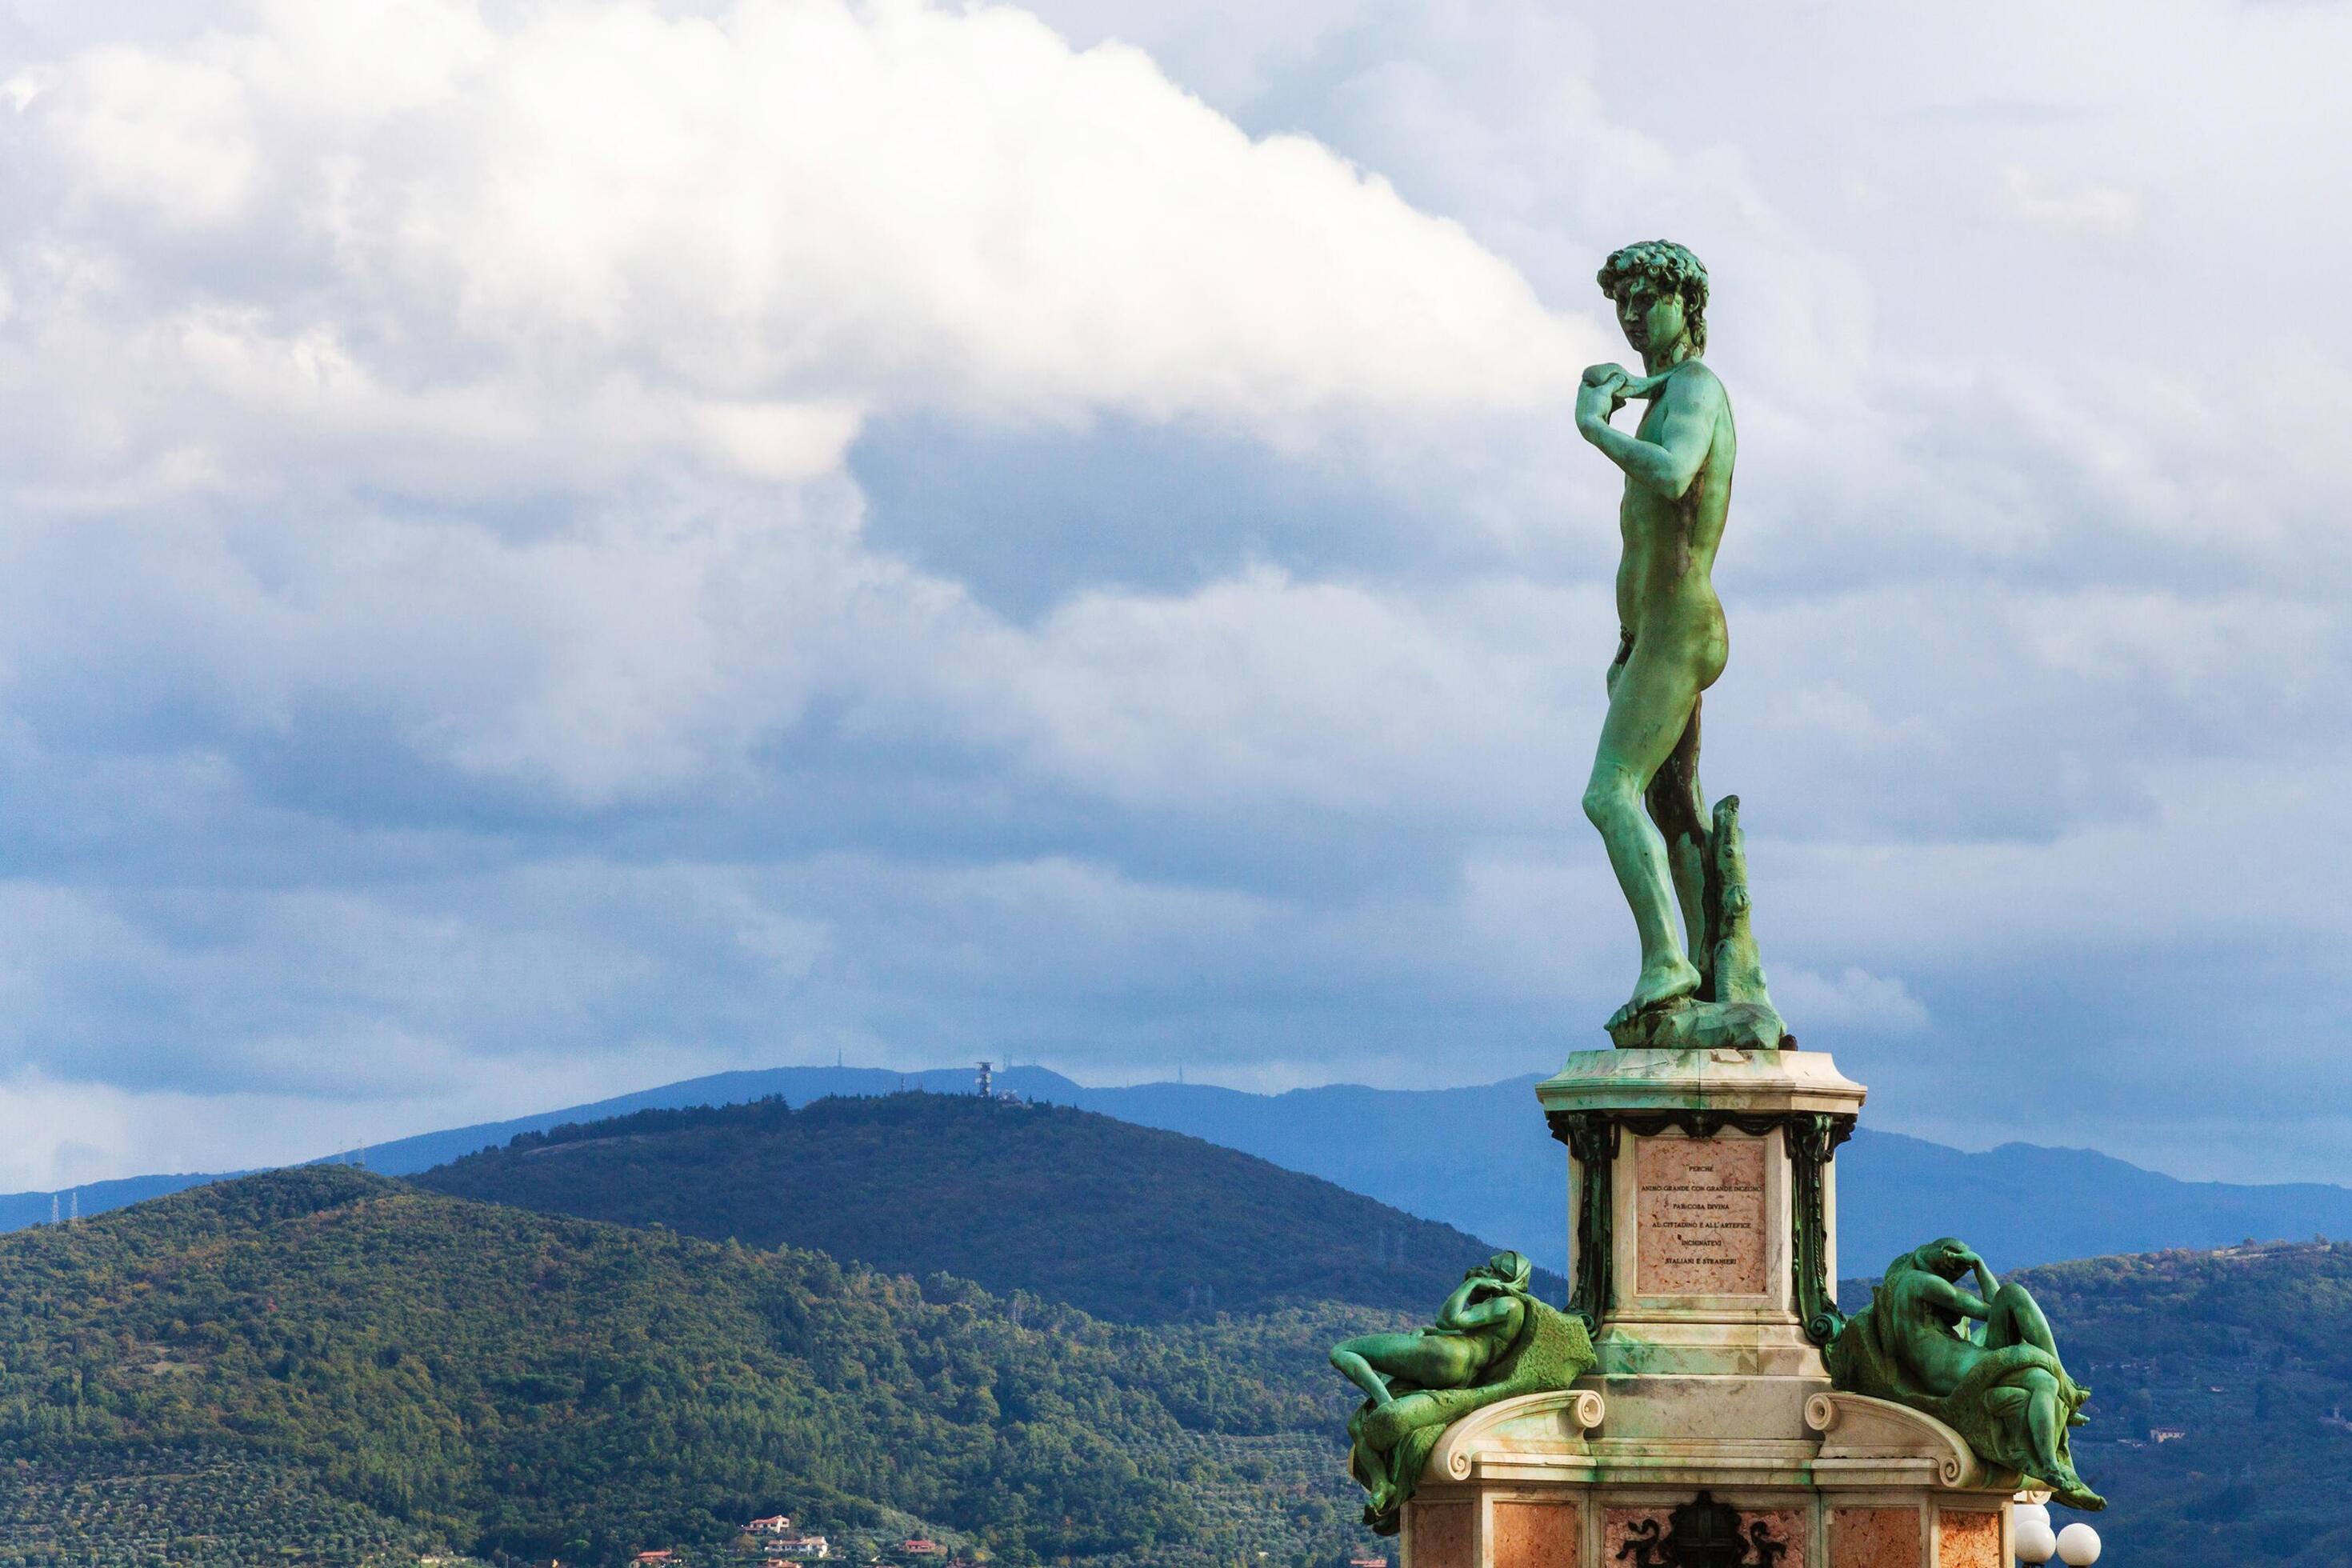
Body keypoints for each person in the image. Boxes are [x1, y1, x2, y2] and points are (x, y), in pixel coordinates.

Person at [1574, 240, 1734, 1027]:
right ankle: (1720, 974)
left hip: (1679, 627)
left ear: (1686, 305)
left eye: (1649, 301)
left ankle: (1668, 962)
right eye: (1623, 305)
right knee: (1673, 809)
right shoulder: (1663, 390)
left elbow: (1672, 473)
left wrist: (1594, 429)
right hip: (1655, 635)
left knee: (1610, 793)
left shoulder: (1696, 388)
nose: (1634, 317)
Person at [1831, 1238, 2105, 1510]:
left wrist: (1979, 1265)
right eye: (1955, 1269)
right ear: (1943, 1257)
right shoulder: (1916, 1282)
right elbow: (1987, 1310)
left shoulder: (1916, 1289)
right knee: (2027, 1336)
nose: (1955, 1275)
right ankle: (2064, 1408)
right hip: (1952, 1369)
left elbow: (2003, 1303)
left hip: (1964, 1358)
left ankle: (2049, 1464)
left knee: (2041, 1374)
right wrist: (1976, 1265)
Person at [1328, 1251, 1534, 1406]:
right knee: (1385, 1375)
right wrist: (1431, 1333)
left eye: (1492, 1271)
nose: (1487, 1272)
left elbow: (1446, 1320)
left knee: (1342, 1351)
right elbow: (1471, 1337)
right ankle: (1386, 1401)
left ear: (1502, 1278)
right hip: (1460, 1366)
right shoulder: (1508, 1308)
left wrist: (1471, 1283)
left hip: (1448, 1356)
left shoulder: (1508, 1304)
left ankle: (1386, 1404)